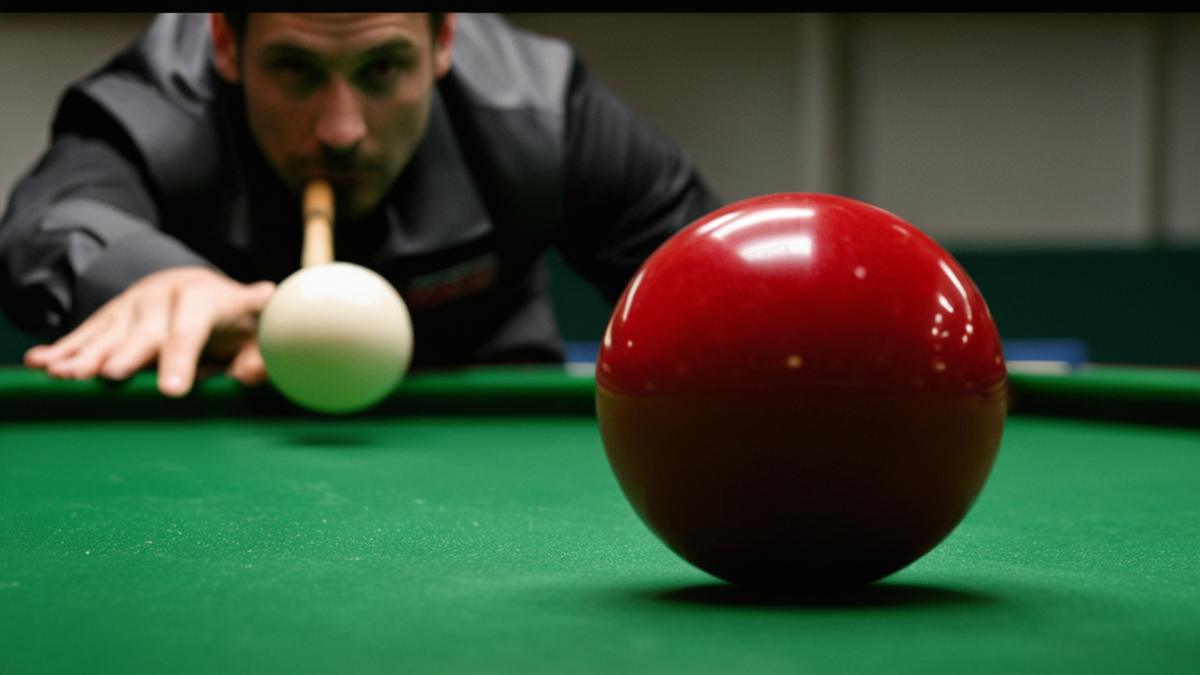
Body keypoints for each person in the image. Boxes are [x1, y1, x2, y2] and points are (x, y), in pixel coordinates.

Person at [0, 13, 719, 398]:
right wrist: (155, 275)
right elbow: (52, 217)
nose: (341, 130)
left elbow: (714, 286)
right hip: (215, 450)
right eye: (295, 69)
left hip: (487, 431)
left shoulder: (538, 113)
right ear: (225, 42)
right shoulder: (159, 107)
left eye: (382, 68)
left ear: (443, 39)